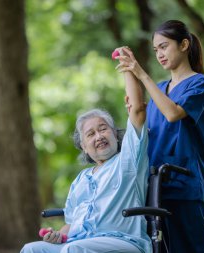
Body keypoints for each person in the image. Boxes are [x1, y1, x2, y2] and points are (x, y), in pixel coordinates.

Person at [20, 59, 151, 253]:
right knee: (32, 249)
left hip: (123, 242)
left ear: (115, 134)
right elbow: (72, 224)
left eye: (103, 129)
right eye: (91, 134)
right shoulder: (81, 179)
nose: (99, 136)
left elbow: (138, 110)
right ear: (84, 147)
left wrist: (127, 69)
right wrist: (59, 236)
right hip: (81, 242)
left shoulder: (129, 161)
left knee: (73, 250)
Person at [115, 19, 204, 253]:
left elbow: (172, 113)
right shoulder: (159, 88)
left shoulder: (199, 85)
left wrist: (141, 73)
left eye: (164, 46)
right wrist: (129, 70)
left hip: (183, 184)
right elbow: (141, 118)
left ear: (184, 44)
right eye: (155, 49)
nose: (159, 53)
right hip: (154, 184)